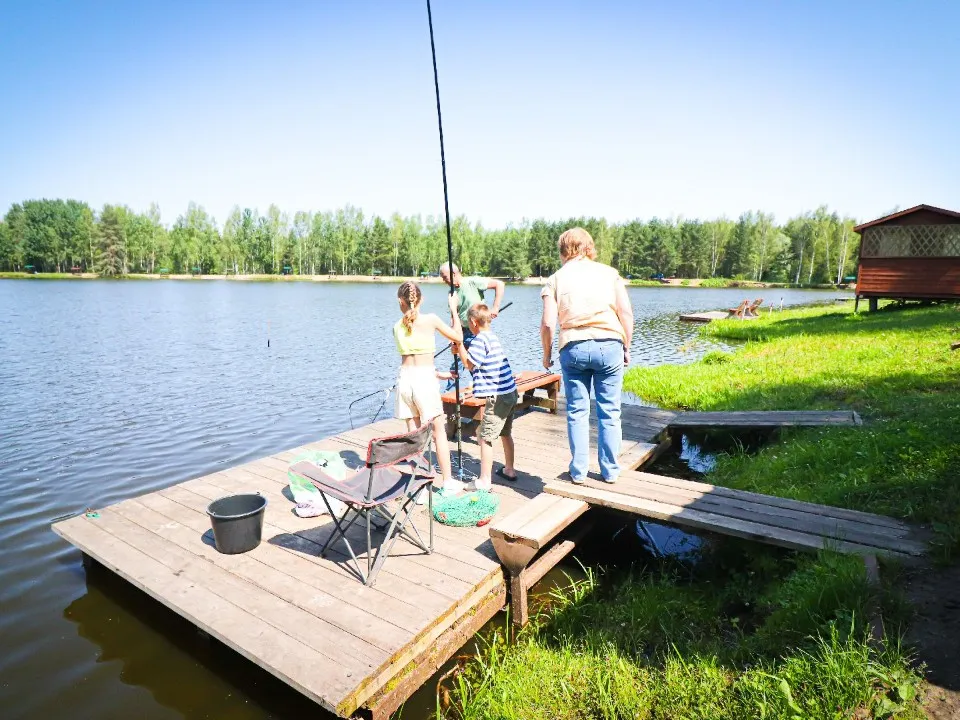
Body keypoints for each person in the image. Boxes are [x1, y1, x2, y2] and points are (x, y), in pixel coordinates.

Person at [540, 228, 634, 485]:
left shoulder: (555, 279)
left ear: (563, 250)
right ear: (589, 247)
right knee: (610, 411)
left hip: (573, 346)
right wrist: (626, 345)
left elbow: (548, 323)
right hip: (610, 344)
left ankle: (579, 471)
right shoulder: (609, 274)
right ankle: (610, 471)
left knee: (577, 411)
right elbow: (626, 313)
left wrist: (547, 354)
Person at [394, 280, 465, 496]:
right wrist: (453, 308)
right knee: (438, 432)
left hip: (405, 381)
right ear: (421, 300)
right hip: (424, 380)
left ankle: (420, 487)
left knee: (414, 437)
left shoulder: (396, 327)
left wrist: (438, 373)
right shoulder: (431, 320)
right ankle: (448, 482)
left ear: (400, 302)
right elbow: (459, 338)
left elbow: (412, 360)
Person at [454, 303, 519, 490]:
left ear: (474, 322)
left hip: (497, 396)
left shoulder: (480, 340)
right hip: (509, 392)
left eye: (469, 323)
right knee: (505, 433)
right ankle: (509, 469)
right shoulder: (491, 337)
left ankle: (484, 480)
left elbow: (470, 364)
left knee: (484, 437)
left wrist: (459, 347)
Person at [438, 263, 505, 384]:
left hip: (477, 331)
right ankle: (451, 394)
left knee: (474, 364)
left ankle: (486, 385)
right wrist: (451, 335)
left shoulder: (472, 282)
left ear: (453, 274)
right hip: (461, 331)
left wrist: (495, 307)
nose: (443, 281)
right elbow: (454, 316)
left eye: (444, 277)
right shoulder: (452, 293)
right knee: (456, 364)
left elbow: (499, 284)